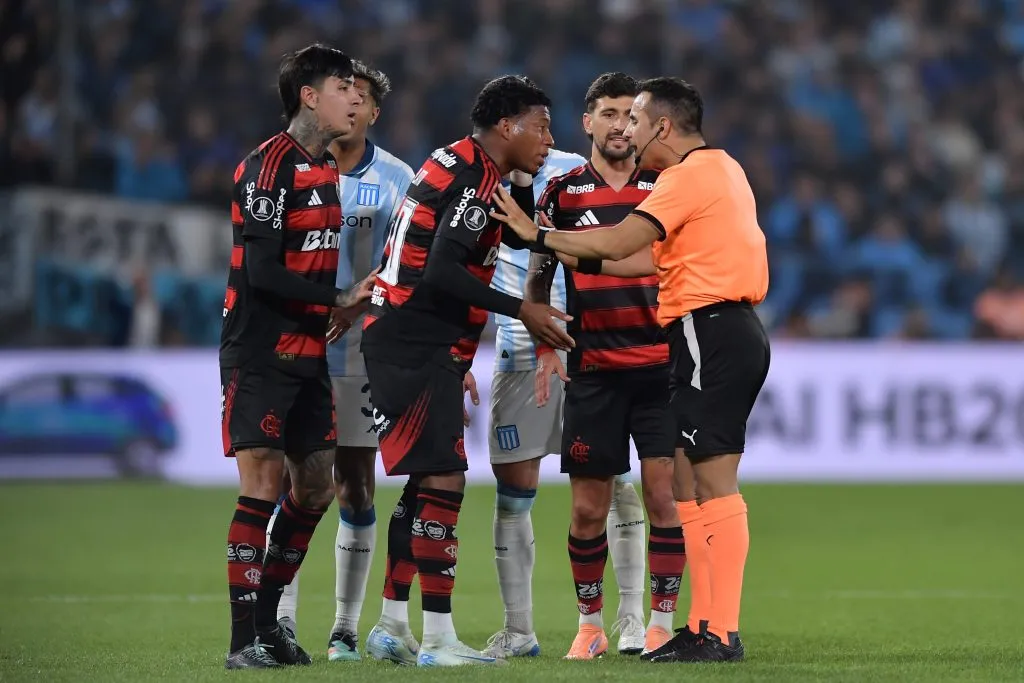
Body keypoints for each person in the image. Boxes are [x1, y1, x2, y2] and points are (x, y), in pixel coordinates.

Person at [490, 76, 770, 664]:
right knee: (694, 486)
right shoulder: (724, 168)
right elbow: (641, 259)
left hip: (703, 332)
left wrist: (535, 233)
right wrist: (559, 248)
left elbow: (620, 242)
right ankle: (703, 625)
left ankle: (718, 631)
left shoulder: (682, 177)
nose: (628, 131)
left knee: (708, 486)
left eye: (637, 121)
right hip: (712, 333)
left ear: (662, 127)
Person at [360, 75, 574, 667]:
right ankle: (438, 640)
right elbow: (442, 274)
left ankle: (391, 625)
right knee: (447, 481)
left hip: (414, 340)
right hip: (412, 341)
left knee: (425, 482)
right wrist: (523, 308)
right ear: (508, 126)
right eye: (541, 127)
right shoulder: (474, 178)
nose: (548, 139)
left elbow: (495, 239)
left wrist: (527, 184)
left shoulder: (456, 162)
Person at [482, 73, 654, 661]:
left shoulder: (629, 176)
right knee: (518, 490)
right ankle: (522, 628)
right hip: (523, 343)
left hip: (615, 353)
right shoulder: (503, 168)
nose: (539, 133)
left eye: (627, 115)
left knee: (622, 490)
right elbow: (520, 261)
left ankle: (632, 618)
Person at [220, 44, 376, 669]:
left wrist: (334, 309)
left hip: (310, 352)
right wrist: (334, 297)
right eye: (344, 87)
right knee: (260, 488)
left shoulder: (327, 169)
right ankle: (241, 644)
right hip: (258, 352)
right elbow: (261, 270)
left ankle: (268, 624)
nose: (356, 99)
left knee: (314, 486)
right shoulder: (268, 166)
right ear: (309, 96)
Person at [526, 72, 681, 660]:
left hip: (662, 367)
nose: (620, 125)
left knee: (664, 499)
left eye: (629, 115)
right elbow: (540, 274)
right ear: (587, 122)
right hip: (593, 367)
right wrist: (544, 340)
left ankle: (661, 623)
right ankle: (590, 626)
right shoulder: (562, 194)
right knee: (589, 508)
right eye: (608, 113)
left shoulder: (666, 186)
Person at [265, 60, 415, 663]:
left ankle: (345, 629)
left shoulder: (399, 177)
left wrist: (363, 304)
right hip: (295, 344)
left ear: (374, 111)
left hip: (360, 352)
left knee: (353, 483)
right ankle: (278, 620)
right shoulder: (294, 167)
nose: (352, 104)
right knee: (289, 482)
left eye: (362, 98)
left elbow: (410, 263)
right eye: (343, 92)